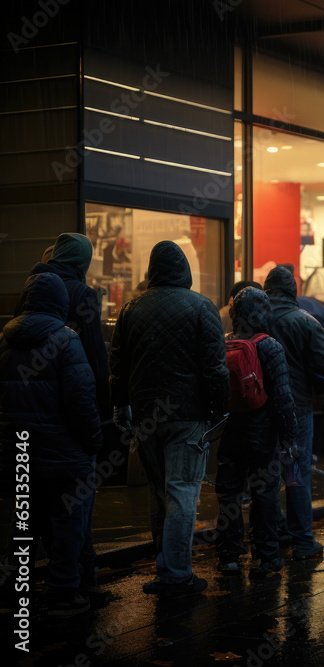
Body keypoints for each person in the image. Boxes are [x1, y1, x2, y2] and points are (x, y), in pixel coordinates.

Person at [109, 240, 229, 597]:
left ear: (151, 270)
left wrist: (120, 408)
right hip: (189, 417)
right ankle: (176, 573)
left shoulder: (131, 308)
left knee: (159, 495)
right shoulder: (201, 307)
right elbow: (215, 368)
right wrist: (220, 411)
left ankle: (165, 568)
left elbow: (118, 367)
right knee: (182, 494)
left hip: (147, 417)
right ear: (185, 271)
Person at [14, 233, 111, 591]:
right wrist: (100, 425)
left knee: (27, 515)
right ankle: (72, 589)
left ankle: (17, 591)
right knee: (73, 511)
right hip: (65, 428)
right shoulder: (76, 316)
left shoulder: (26, 296)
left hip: (26, 431)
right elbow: (88, 373)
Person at [1, 273, 102, 617]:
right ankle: (62, 592)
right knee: (68, 522)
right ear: (61, 303)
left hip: (20, 450)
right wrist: (93, 443)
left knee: (25, 520)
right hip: (64, 452)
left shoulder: (4, 340)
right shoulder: (66, 340)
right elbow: (82, 400)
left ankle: (17, 589)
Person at [214, 287, 298, 579]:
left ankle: (228, 556)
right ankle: (267, 557)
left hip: (231, 430)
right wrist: (290, 437)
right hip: (263, 434)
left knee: (229, 493)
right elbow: (283, 398)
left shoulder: (225, 343)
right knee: (264, 493)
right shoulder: (270, 346)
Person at [263, 266, 324, 559]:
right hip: (297, 407)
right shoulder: (306, 322)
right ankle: (302, 541)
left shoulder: (255, 319)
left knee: (264, 475)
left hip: (259, 408)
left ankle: (271, 539)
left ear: (266, 290)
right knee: (295, 473)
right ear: (293, 291)